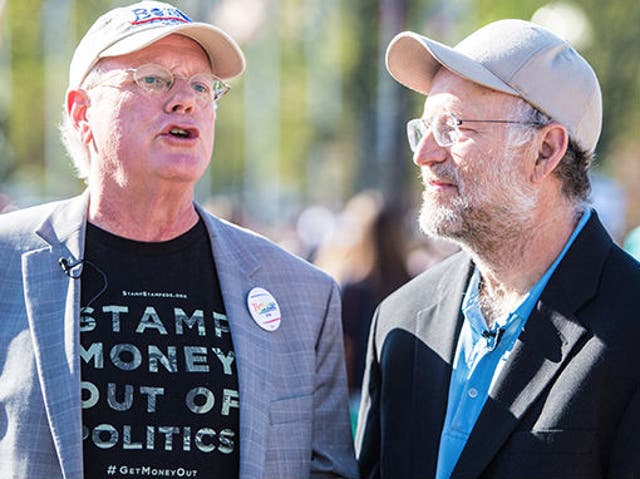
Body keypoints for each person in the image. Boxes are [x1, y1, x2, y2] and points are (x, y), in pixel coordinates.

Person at [0, 2, 357, 478]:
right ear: (82, 112)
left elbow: (327, 470)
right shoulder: (8, 262)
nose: (184, 100)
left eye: (202, 86)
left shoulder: (301, 295)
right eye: (152, 79)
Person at [356, 19, 640, 479]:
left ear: (546, 151)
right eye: (425, 127)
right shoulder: (402, 322)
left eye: (452, 127)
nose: (424, 153)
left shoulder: (630, 328)